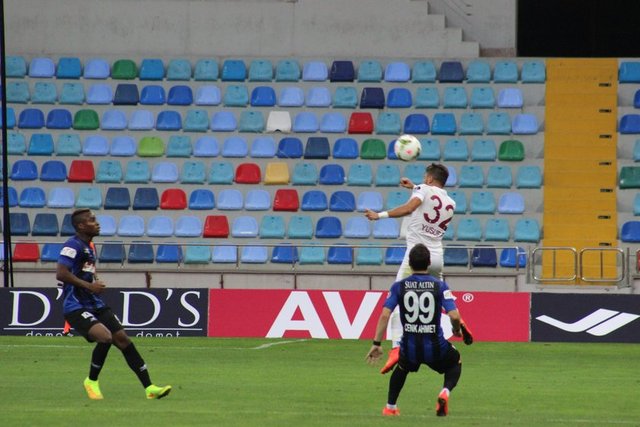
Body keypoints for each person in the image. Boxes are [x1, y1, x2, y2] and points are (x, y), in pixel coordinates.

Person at [364, 163, 472, 374]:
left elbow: (410, 208)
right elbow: (431, 202)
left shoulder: (423, 189)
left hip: (416, 255)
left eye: (424, 178)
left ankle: (396, 348)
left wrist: (379, 215)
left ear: (429, 179)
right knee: (440, 295)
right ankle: (459, 320)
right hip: (437, 257)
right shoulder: (450, 202)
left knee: (398, 300)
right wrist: (414, 187)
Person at [56, 208, 172, 400]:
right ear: (81, 226)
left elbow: (84, 271)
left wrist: (94, 282)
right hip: (75, 306)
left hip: (95, 303)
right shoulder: (72, 245)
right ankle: (91, 381)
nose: (97, 223)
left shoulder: (89, 247)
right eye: (92, 220)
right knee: (105, 337)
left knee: (123, 340)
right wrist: (90, 286)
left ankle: (149, 388)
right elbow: (61, 273)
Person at [365, 244, 464, 417]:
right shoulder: (440, 286)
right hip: (436, 347)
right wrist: (456, 329)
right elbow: (455, 316)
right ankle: (445, 392)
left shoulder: (399, 286)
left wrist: (377, 343)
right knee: (455, 362)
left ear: (409, 264)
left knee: (402, 367)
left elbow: (385, 315)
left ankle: (390, 407)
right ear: (429, 263)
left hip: (410, 348)